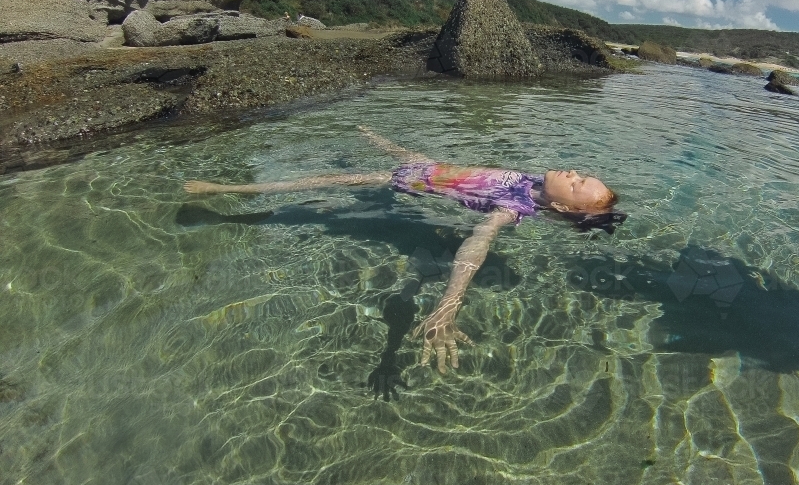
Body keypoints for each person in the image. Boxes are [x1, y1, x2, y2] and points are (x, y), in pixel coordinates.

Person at [184, 126, 625, 374]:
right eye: (581, 174)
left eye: (578, 183)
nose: (574, 173)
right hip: (426, 165)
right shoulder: (530, 183)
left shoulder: (515, 208)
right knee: (379, 143)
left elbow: (477, 245)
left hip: (409, 182)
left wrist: (446, 309)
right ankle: (369, 134)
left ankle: (227, 190)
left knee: (327, 183)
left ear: (564, 206)